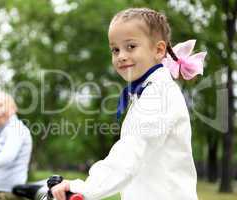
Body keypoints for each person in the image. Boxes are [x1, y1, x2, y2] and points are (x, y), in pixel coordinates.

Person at [51, 7, 206, 200]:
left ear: (158, 50)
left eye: (130, 46)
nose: (121, 56)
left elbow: (131, 154)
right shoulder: (147, 92)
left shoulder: (160, 95)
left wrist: (84, 188)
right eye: (115, 49)